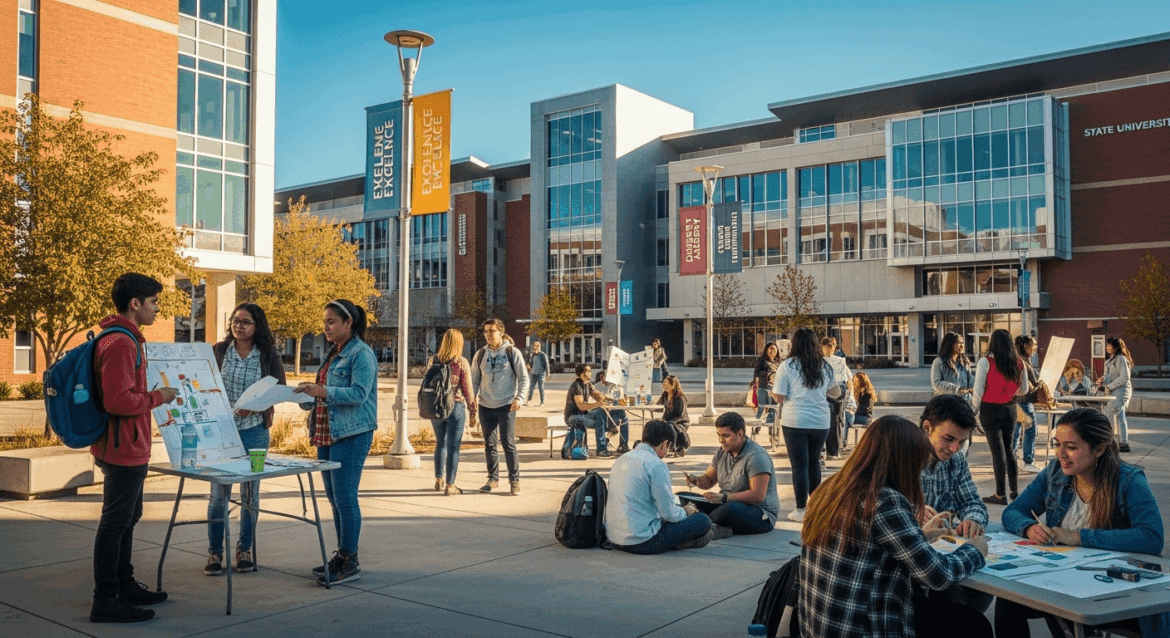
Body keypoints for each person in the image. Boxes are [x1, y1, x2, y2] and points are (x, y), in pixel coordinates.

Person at [799, 415, 991, 638]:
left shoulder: (830, 487)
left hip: (820, 624)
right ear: (904, 461)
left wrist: (922, 536)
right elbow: (937, 576)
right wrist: (975, 551)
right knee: (974, 625)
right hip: (862, 626)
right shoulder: (884, 501)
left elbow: (869, 548)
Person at [995, 408, 1167, 638]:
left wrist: (1078, 537)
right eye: (1057, 444)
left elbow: (1152, 538)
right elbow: (1014, 511)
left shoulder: (1128, 480)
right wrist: (1029, 527)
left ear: (1099, 449)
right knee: (1008, 599)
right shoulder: (1055, 472)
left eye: (1072, 447)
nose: (1060, 454)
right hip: (1065, 576)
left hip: (1113, 584)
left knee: (1076, 616)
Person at [89, 273, 178, 623]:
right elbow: (118, 400)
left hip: (127, 445)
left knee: (127, 519)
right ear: (135, 304)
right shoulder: (122, 343)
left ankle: (124, 586)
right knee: (115, 524)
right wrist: (160, 397)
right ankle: (105, 599)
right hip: (123, 447)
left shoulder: (124, 339)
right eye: (153, 302)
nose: (157, 309)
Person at [295, 299, 378, 586]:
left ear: (348, 323)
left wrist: (322, 390)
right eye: (324, 322)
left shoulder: (361, 354)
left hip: (351, 433)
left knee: (345, 497)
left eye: (331, 322)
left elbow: (358, 394)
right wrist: (307, 395)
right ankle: (342, 556)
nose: (326, 327)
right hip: (327, 432)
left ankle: (349, 560)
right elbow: (327, 394)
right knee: (333, 498)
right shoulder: (334, 352)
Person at [206, 302, 286, 576]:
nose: (238, 326)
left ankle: (244, 550)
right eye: (235, 320)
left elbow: (280, 391)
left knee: (250, 493)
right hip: (221, 436)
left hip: (255, 434)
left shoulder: (268, 356)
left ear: (257, 326)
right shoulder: (218, 351)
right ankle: (215, 553)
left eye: (245, 322)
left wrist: (256, 407)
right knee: (218, 495)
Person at [918, 394, 992, 613]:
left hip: (942, 553)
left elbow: (973, 503)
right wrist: (911, 514)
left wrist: (973, 519)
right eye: (949, 439)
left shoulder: (956, 460)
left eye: (962, 442)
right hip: (913, 562)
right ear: (927, 428)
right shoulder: (902, 455)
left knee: (983, 585)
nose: (954, 448)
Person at [606, 420, 720, 553]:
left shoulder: (622, 459)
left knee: (678, 503)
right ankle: (689, 539)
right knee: (703, 520)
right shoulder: (656, 465)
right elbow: (668, 513)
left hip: (614, 539)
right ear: (664, 444)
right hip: (642, 541)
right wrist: (685, 512)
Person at [771, 327, 841, 523]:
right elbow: (836, 393)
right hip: (820, 421)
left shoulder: (788, 366)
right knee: (814, 462)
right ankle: (816, 507)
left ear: (795, 344)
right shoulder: (825, 366)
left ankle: (801, 509)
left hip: (795, 421)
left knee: (799, 465)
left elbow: (779, 397)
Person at [683, 412, 779, 535]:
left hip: (759, 514)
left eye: (726, 436)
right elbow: (709, 479)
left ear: (740, 434)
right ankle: (705, 523)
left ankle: (702, 524)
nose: (721, 440)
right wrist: (695, 480)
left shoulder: (756, 456)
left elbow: (758, 495)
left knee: (728, 510)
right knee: (683, 497)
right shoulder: (722, 451)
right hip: (725, 503)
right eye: (719, 435)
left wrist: (724, 498)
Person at [471, 318, 530, 495]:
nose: (488, 335)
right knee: (489, 444)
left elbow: (524, 378)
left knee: (507, 443)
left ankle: (514, 480)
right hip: (485, 405)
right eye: (486, 331)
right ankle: (493, 479)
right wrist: (471, 401)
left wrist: (520, 398)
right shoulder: (480, 354)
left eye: (492, 331)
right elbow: (474, 380)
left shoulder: (512, 352)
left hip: (507, 405)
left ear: (501, 332)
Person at [972, 328, 1028, 505]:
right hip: (1010, 408)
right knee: (1009, 449)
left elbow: (978, 391)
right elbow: (1024, 389)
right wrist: (1010, 391)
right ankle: (1014, 491)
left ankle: (999, 494)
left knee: (997, 451)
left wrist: (973, 410)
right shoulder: (1019, 363)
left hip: (990, 409)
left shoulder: (985, 362)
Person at [429, 329, 476, 496]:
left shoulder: (433, 360)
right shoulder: (461, 362)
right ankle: (450, 485)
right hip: (455, 406)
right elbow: (468, 389)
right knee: (453, 448)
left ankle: (438, 479)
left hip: (436, 408)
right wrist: (472, 410)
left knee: (440, 443)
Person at [563, 363, 613, 458]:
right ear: (581, 374)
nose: (590, 373)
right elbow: (581, 405)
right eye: (587, 371)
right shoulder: (576, 386)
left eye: (590, 371)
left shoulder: (588, 384)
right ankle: (602, 448)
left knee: (600, 413)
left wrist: (610, 399)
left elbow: (597, 394)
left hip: (583, 415)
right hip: (573, 417)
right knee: (600, 419)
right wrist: (598, 404)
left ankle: (602, 447)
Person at [1011, 335, 1042, 474]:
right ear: (1025, 346)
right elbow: (1033, 384)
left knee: (1015, 433)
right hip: (1024, 401)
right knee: (1030, 431)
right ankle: (1028, 462)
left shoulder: (1013, 360)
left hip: (1013, 402)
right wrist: (1040, 385)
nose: (1035, 348)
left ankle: (1011, 461)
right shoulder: (1023, 363)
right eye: (1033, 345)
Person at [1097, 336, 1133, 453]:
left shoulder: (1121, 359)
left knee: (1116, 414)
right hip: (1113, 391)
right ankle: (1120, 442)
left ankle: (1120, 442)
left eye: (1109, 345)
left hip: (1122, 390)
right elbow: (1107, 376)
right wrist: (1101, 380)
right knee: (1117, 414)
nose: (1107, 347)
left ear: (1116, 347)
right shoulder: (1108, 361)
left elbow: (1124, 377)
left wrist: (1109, 386)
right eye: (1106, 345)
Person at [820, 336, 853, 458]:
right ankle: (824, 449)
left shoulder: (840, 361)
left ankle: (833, 450)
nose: (829, 350)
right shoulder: (819, 361)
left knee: (836, 420)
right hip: (824, 391)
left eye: (831, 347)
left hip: (838, 390)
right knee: (826, 420)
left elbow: (847, 379)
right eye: (826, 347)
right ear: (822, 347)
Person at [595, 368, 630, 453]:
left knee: (623, 415)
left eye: (606, 377)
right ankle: (623, 444)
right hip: (604, 415)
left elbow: (625, 399)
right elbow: (604, 400)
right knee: (624, 418)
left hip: (613, 414)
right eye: (602, 378)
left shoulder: (615, 387)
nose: (604, 379)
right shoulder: (597, 388)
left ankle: (621, 443)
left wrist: (623, 397)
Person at [930, 332, 974, 398]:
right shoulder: (939, 361)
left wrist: (972, 389)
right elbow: (936, 383)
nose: (962, 346)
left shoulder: (965, 361)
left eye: (962, 343)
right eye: (959, 343)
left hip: (964, 400)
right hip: (946, 401)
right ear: (950, 344)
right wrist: (957, 389)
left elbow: (970, 380)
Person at [657, 374, 690, 456]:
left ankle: (673, 446)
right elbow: (660, 407)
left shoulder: (679, 398)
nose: (665, 386)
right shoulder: (665, 395)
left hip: (681, 421)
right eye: (664, 384)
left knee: (670, 426)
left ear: (673, 385)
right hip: (670, 420)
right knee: (658, 425)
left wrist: (670, 422)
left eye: (667, 384)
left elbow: (681, 415)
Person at [752, 342, 781, 431]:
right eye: (771, 349)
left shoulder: (779, 361)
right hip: (763, 387)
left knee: (773, 408)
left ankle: (770, 427)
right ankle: (758, 425)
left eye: (774, 349)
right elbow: (757, 373)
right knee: (762, 407)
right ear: (767, 350)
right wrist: (768, 374)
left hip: (775, 389)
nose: (773, 351)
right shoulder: (762, 360)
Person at [850, 371, 875, 443]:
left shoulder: (855, 392)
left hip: (856, 417)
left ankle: (843, 440)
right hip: (866, 418)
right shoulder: (870, 392)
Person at [527, 340, 550, 407]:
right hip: (533, 373)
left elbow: (546, 364)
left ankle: (542, 402)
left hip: (541, 373)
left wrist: (547, 373)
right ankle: (529, 400)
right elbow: (531, 363)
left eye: (536, 347)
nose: (535, 349)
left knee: (541, 388)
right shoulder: (532, 355)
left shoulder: (543, 355)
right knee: (531, 387)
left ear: (539, 347)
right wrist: (529, 367)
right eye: (534, 347)